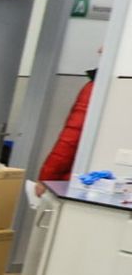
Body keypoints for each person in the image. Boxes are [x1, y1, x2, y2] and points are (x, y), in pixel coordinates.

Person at [34, 56, 101, 196]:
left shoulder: (96, 88)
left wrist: (46, 178)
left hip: (76, 184)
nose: (99, 49)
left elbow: (71, 138)